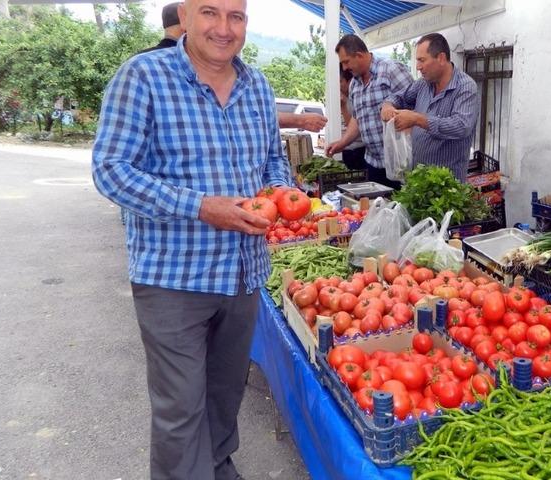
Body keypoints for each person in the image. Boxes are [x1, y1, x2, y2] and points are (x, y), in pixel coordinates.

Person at [92, 0, 291, 478]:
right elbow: (110, 170)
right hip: (172, 278)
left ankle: (219, 465)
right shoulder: (142, 77)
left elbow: (272, 162)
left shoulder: (257, 86)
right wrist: (201, 206)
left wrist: (282, 193)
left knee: (225, 394)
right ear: (185, 16)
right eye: (210, 13)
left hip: (242, 274)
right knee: (180, 409)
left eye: (236, 17)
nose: (224, 29)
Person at [381, 33, 479, 182]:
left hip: (446, 186)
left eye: (422, 60)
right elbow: (399, 97)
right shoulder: (423, 84)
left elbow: (461, 126)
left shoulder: (465, 87)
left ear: (440, 58)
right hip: (417, 180)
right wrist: (388, 106)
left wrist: (416, 119)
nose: (418, 67)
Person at [326, 34, 413, 190]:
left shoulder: (390, 69)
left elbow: (415, 102)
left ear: (359, 55)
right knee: (376, 210)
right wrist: (342, 143)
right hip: (373, 164)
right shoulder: (354, 85)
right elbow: (357, 120)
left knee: (403, 211)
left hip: (400, 164)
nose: (344, 68)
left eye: (346, 62)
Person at [338, 65, 366, 171]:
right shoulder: (337, 97)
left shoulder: (354, 99)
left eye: (341, 81)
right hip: (344, 149)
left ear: (349, 81)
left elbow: (352, 126)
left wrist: (343, 106)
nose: (339, 85)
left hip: (356, 149)